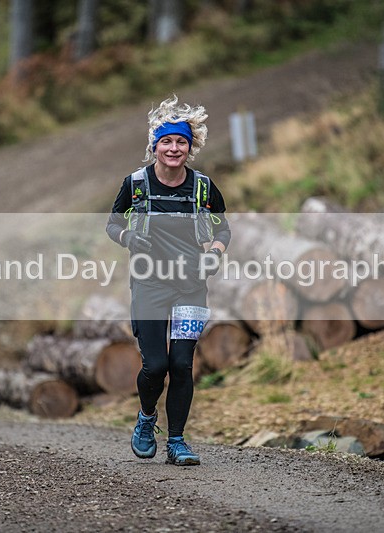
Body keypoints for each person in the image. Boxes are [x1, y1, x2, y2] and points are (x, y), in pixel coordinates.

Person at [106, 95, 231, 466]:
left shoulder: (204, 188)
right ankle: (146, 419)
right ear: (154, 146)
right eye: (167, 141)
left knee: (181, 364)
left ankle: (177, 441)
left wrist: (215, 254)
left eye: (181, 141)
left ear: (190, 147)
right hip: (148, 284)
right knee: (155, 366)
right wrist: (129, 238)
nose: (174, 148)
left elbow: (223, 229)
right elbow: (112, 224)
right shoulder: (136, 184)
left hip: (191, 285)